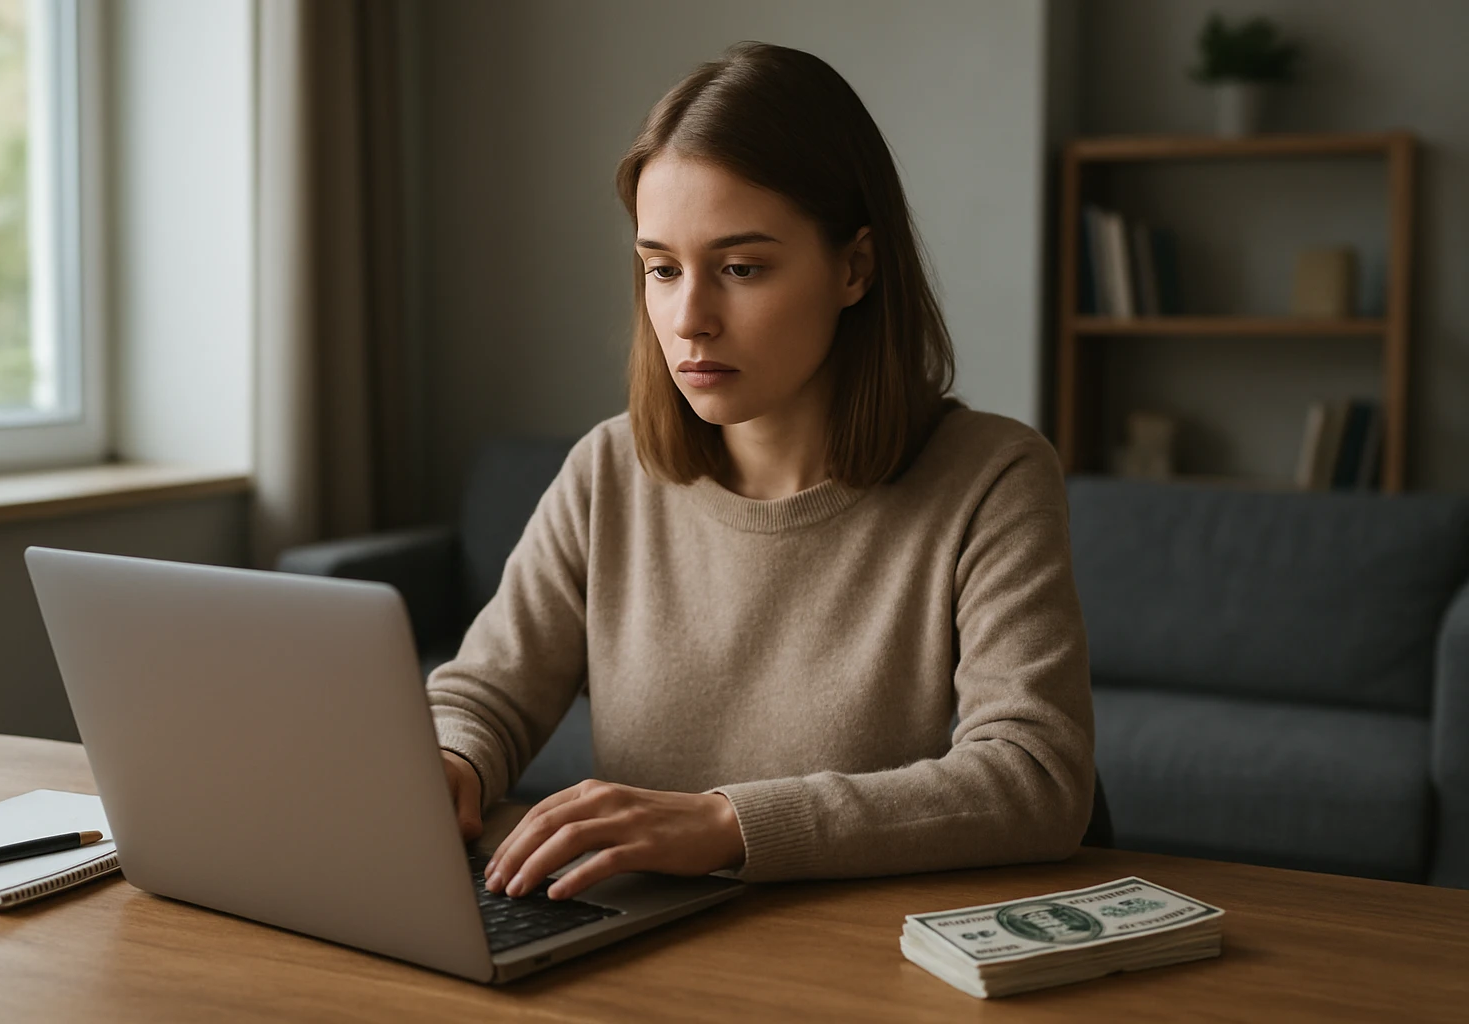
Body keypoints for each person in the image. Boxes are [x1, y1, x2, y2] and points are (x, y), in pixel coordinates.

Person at [427, 40, 1094, 903]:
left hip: (858, 957)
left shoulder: (993, 478)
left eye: (741, 269)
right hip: (638, 948)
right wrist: (453, 760)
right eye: (662, 269)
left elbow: (1035, 780)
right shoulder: (607, 469)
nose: (689, 319)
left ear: (854, 267)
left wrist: (726, 826)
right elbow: (486, 694)